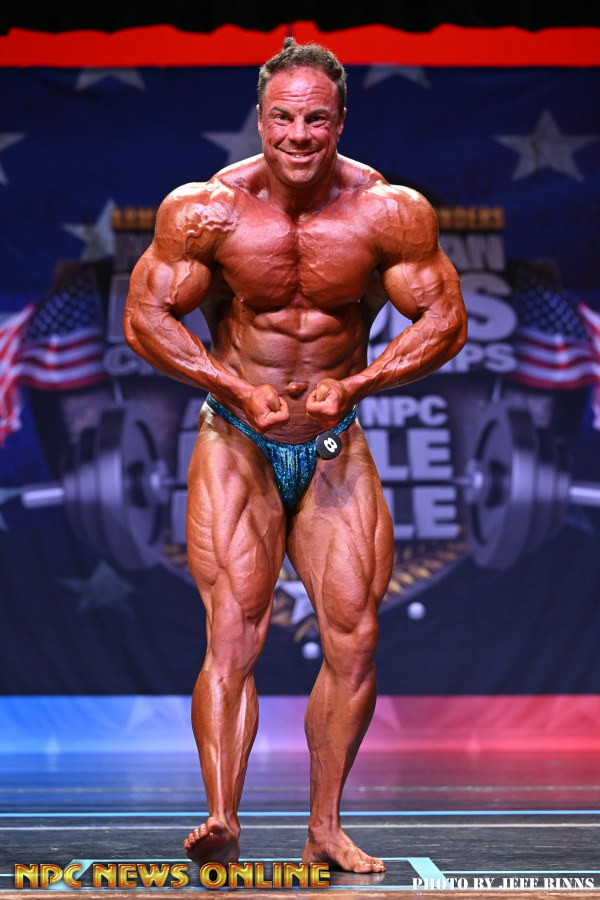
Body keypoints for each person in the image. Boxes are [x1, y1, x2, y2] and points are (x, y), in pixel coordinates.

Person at [124, 37, 467, 874]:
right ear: (261, 119)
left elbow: (445, 320)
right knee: (233, 633)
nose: (299, 134)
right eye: (284, 117)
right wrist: (233, 387)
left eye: (316, 118)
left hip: (333, 440)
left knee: (355, 636)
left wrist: (360, 383)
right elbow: (145, 317)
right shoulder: (207, 211)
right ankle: (221, 818)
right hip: (235, 438)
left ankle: (324, 827)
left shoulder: (388, 212)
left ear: (340, 121)